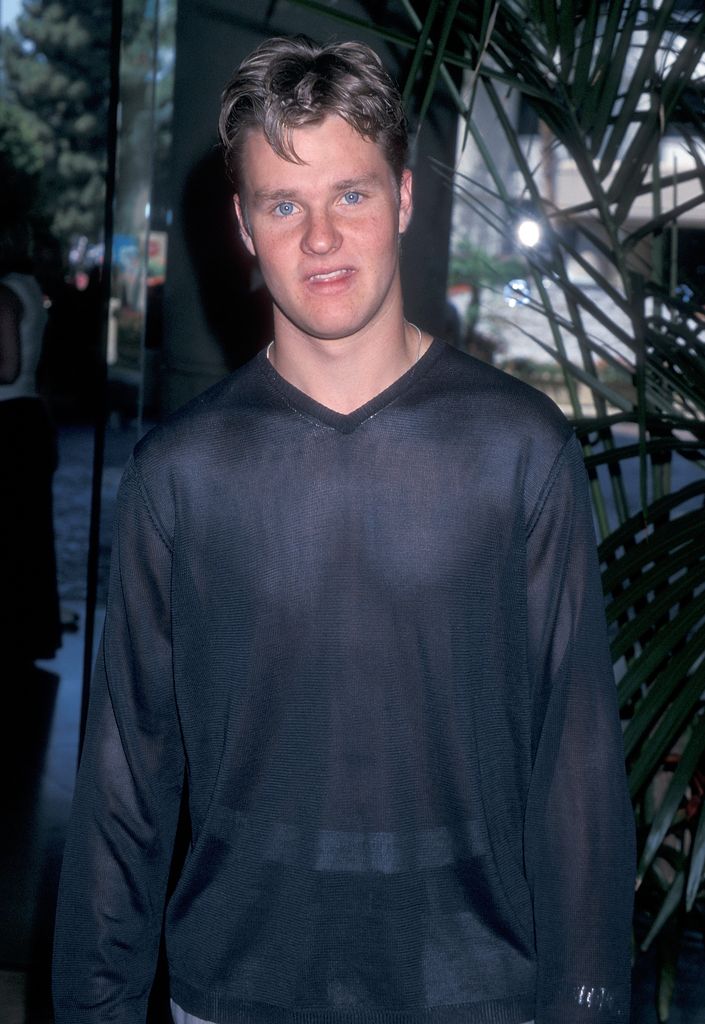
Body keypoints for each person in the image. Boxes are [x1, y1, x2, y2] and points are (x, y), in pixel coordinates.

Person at [53, 35, 635, 1024]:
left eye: (350, 195)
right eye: (284, 204)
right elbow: (125, 783)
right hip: (232, 995)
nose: (321, 238)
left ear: (403, 199)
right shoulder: (180, 473)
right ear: (244, 226)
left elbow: (574, 768)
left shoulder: (518, 450)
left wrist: (586, 1003)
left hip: (476, 995)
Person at [0, 229, 61, 672]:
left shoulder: (5, 293)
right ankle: (27, 635)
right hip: (27, 416)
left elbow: (7, 367)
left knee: (13, 537)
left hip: (8, 419)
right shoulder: (28, 287)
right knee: (27, 536)